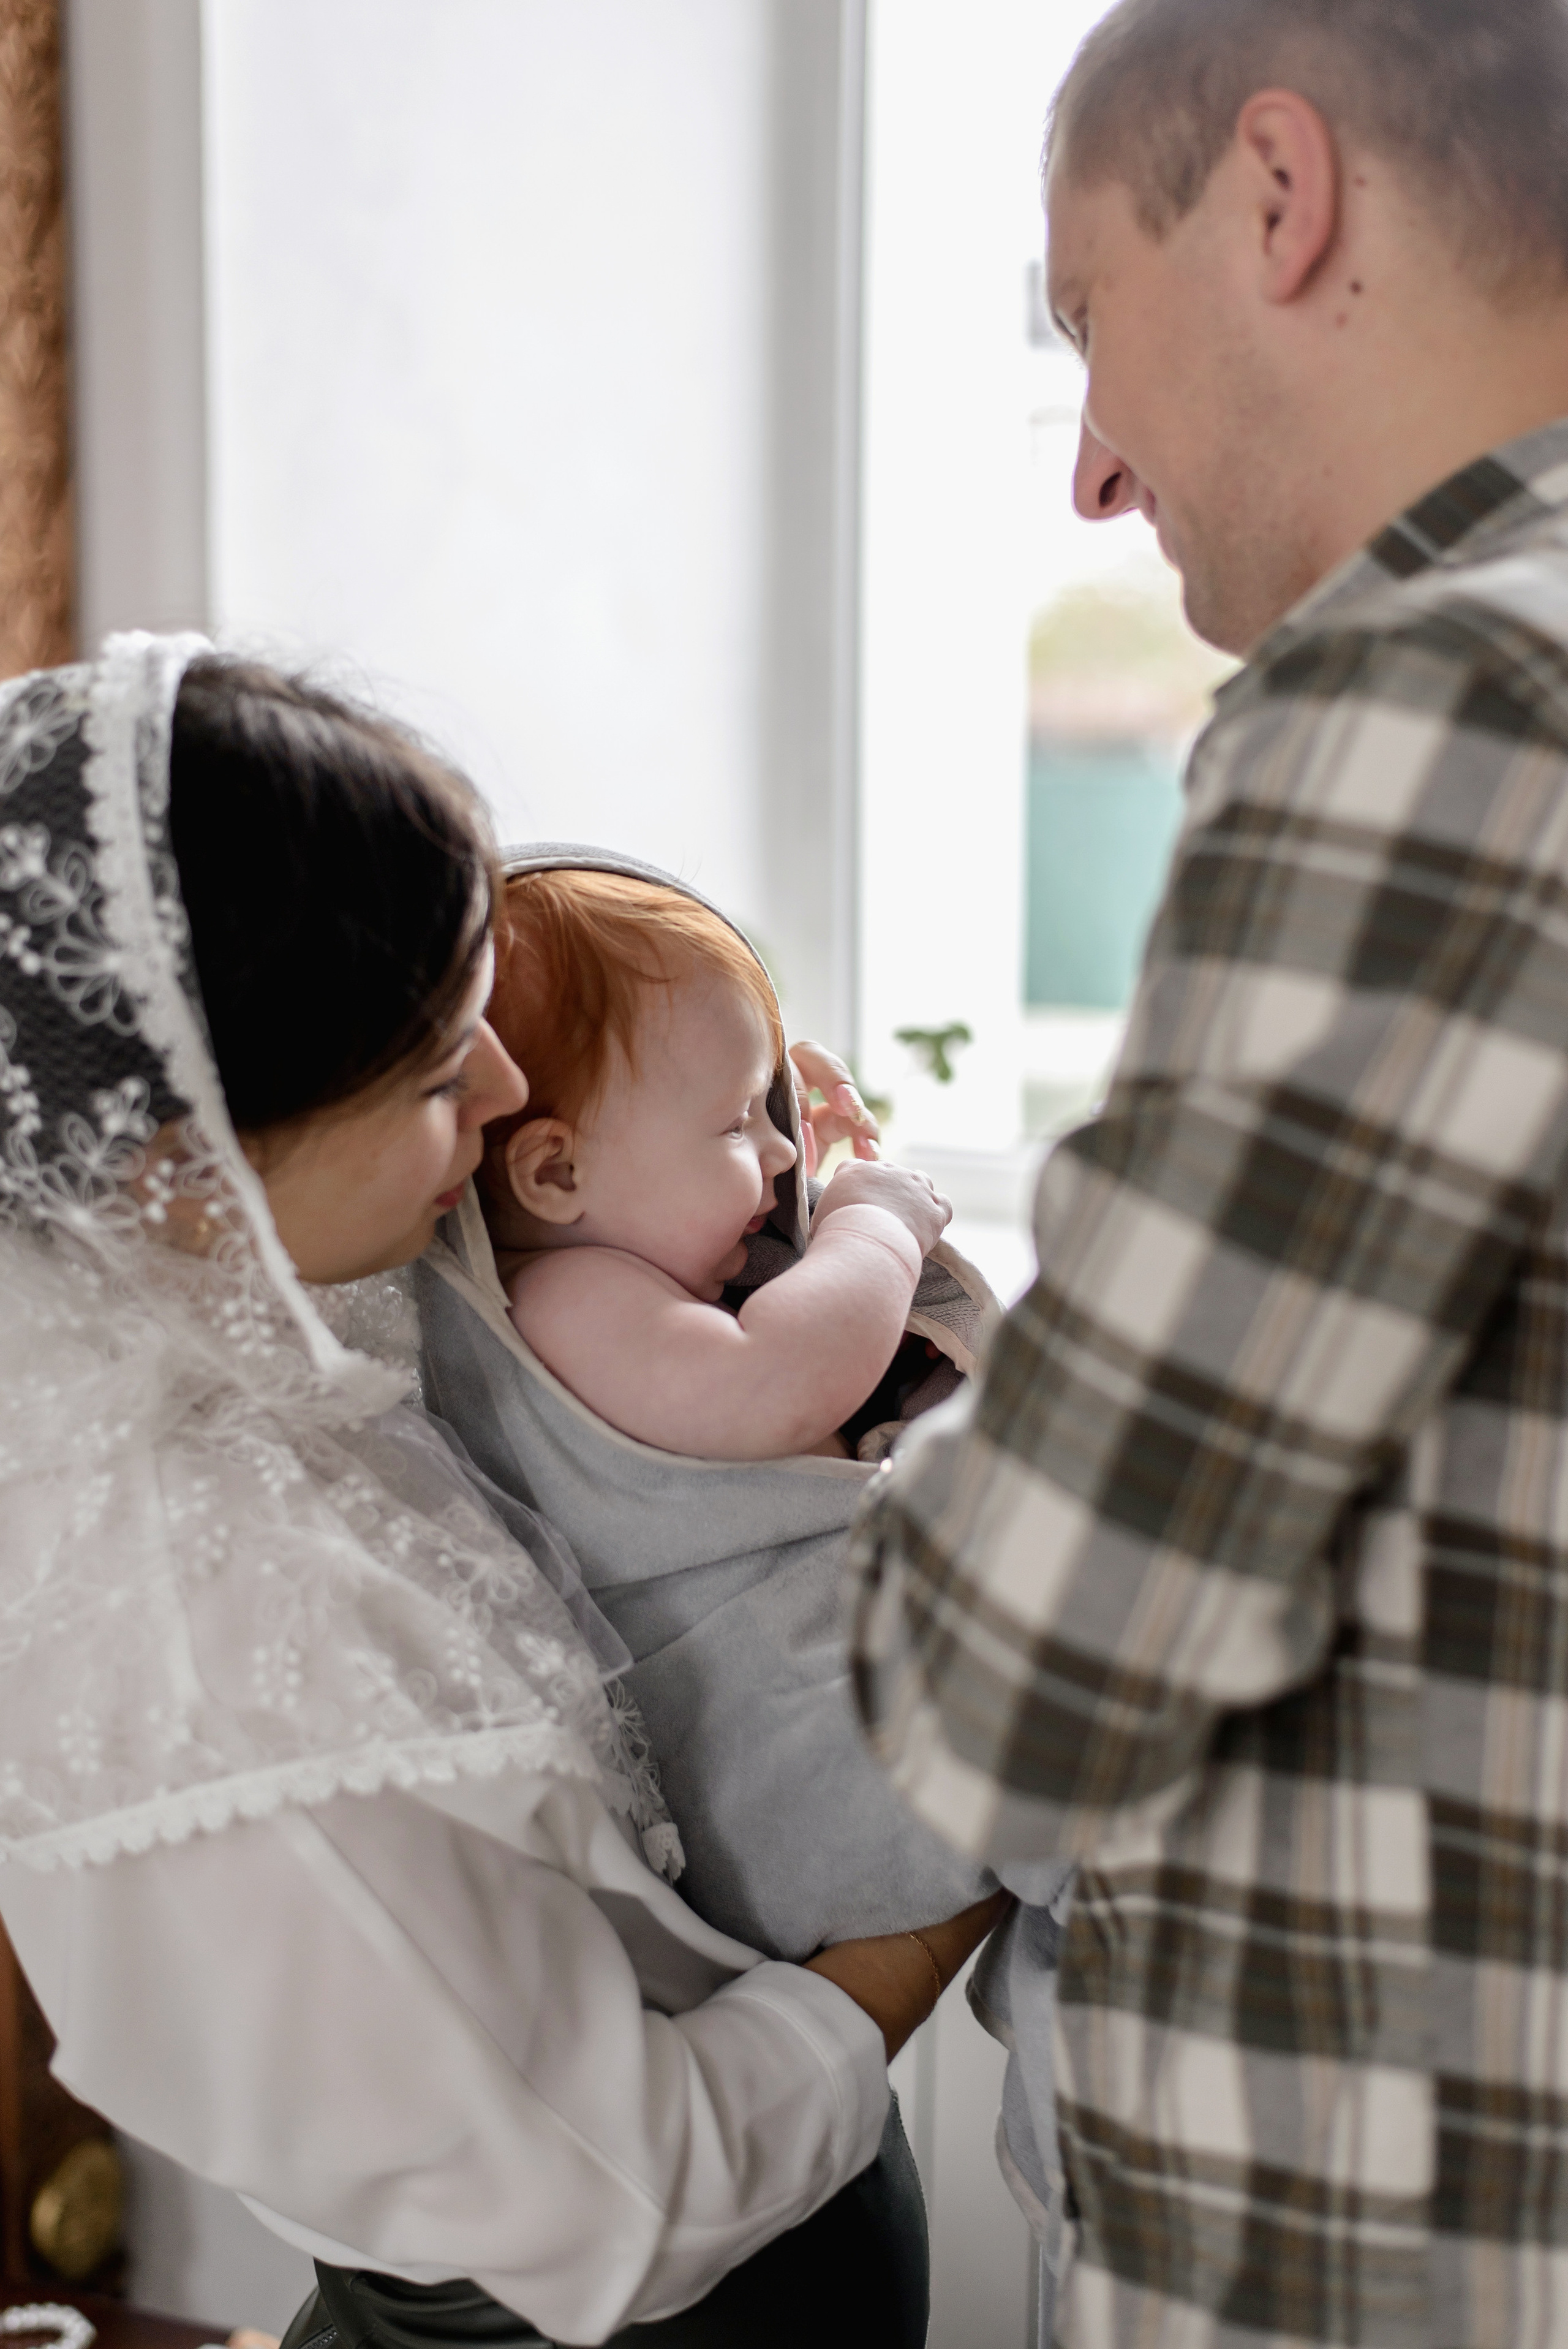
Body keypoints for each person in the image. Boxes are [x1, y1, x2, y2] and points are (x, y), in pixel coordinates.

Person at [0, 635, 1001, 2349]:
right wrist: (939, 1901)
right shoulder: (216, 1664)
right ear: (184, 1170)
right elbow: (623, 2206)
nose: (510, 1094)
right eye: (435, 1069)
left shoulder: (285, 1284)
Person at [848, 2, 1568, 2343]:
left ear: (1280, 192)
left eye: (1088, 315)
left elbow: (1019, 1671)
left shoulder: (1442, 700)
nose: (1089, 467)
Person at [410, 848, 1030, 1971]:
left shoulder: (626, 1277)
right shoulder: (568, 1299)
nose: (783, 1149)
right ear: (555, 1176)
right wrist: (875, 1221)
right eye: (739, 1119)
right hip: (781, 1763)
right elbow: (778, 1380)